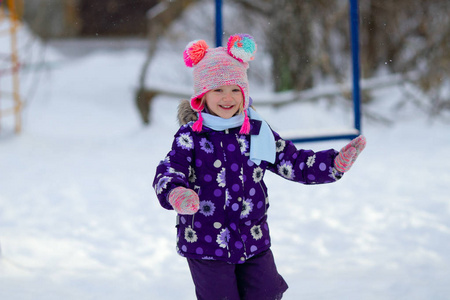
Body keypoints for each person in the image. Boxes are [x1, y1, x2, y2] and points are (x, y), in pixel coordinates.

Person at [153, 33, 366, 300]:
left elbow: (293, 162)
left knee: (265, 293)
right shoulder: (191, 136)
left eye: (234, 90)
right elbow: (170, 169)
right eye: (218, 90)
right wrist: (176, 192)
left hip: (252, 239)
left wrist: (332, 163)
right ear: (202, 96)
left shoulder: (257, 131)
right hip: (205, 242)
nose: (227, 97)